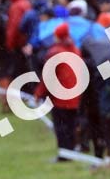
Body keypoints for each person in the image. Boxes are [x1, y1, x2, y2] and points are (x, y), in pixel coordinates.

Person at [34, 22, 83, 161]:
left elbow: (48, 76)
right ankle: (71, 151)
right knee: (71, 125)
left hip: (60, 97)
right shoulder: (76, 49)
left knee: (61, 127)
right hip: (75, 95)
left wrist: (39, 93)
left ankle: (63, 154)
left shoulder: (54, 52)